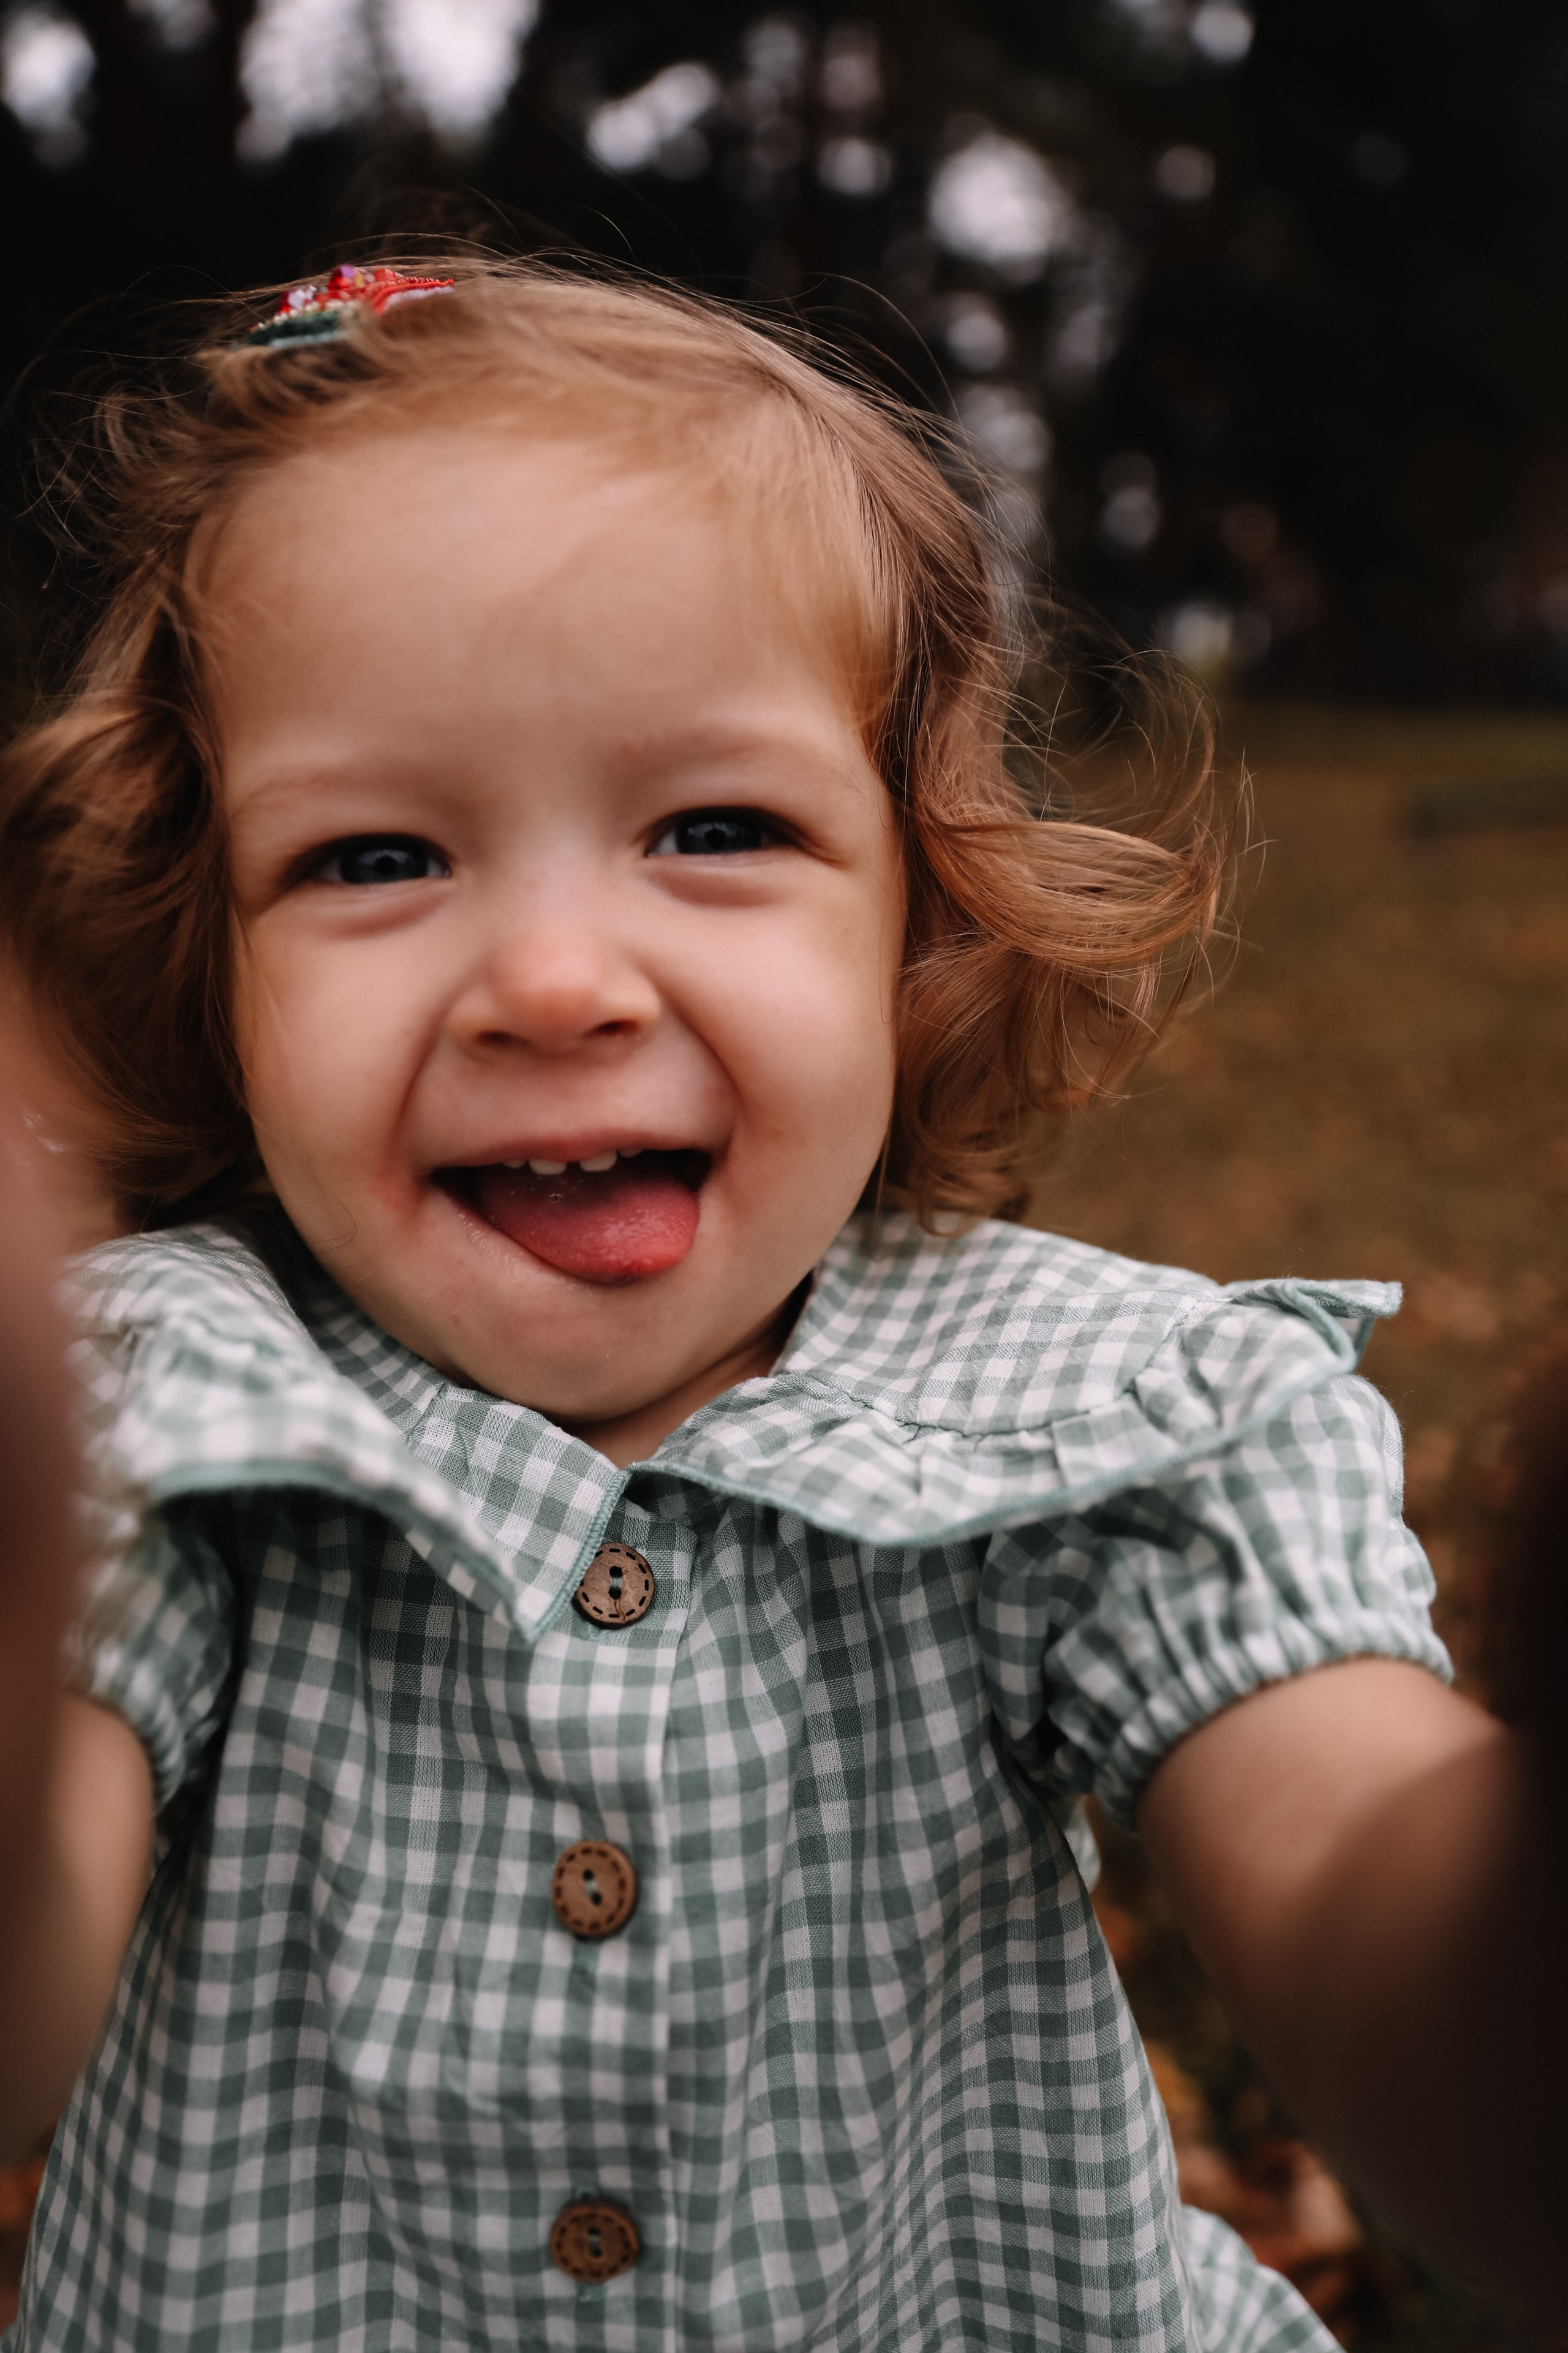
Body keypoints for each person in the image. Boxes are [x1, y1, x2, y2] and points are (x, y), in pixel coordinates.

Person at [0, 257, 1543, 2352]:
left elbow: (1397, 1955)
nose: (558, 983)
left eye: (713, 829)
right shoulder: (161, 1406)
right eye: (373, 858)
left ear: (925, 902)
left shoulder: (1101, 1423)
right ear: (203, 958)